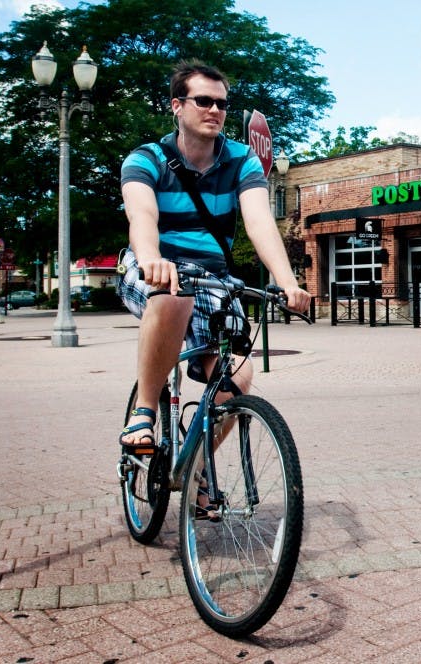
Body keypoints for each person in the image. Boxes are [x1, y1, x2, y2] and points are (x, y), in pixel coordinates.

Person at [117, 59, 310, 453]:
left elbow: (258, 222)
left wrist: (287, 281)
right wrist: (152, 257)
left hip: (212, 277)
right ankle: (145, 410)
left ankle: (197, 471)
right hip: (151, 267)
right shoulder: (145, 159)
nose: (215, 111)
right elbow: (142, 216)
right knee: (173, 292)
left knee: (237, 377)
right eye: (203, 101)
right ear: (177, 106)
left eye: (222, 104)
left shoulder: (241, 159)